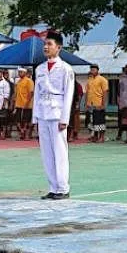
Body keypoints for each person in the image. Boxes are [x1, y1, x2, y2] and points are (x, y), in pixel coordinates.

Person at [33, 32, 75, 200]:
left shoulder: (66, 69)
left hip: (57, 113)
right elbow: (36, 94)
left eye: (49, 44)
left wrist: (65, 119)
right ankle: (53, 187)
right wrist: (35, 117)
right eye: (45, 44)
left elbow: (69, 94)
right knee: (46, 153)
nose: (46, 47)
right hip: (43, 112)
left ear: (58, 47)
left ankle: (63, 188)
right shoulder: (40, 69)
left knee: (59, 151)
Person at [85, 64, 109, 143]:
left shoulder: (102, 79)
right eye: (91, 69)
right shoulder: (89, 80)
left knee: (100, 121)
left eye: (94, 69)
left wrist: (103, 104)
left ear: (97, 70)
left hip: (99, 103)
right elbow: (87, 92)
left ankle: (101, 137)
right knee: (93, 121)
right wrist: (86, 103)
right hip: (90, 104)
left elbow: (105, 92)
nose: (92, 71)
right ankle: (95, 136)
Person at [14, 68, 35, 140]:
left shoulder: (29, 81)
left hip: (27, 105)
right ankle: (21, 133)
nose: (19, 73)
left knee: (26, 121)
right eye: (19, 72)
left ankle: (26, 135)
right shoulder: (18, 82)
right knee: (18, 121)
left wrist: (27, 103)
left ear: (25, 73)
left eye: (21, 72)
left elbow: (31, 93)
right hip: (18, 104)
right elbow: (16, 93)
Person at [67, 78, 84, 142]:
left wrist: (77, 104)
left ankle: (74, 134)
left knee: (75, 120)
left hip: (74, 104)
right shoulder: (67, 84)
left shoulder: (77, 85)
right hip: (67, 105)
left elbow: (79, 95)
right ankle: (69, 136)